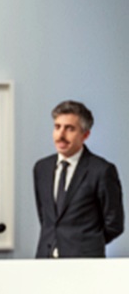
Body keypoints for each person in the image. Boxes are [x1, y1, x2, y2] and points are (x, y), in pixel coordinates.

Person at [33, 100, 124, 258]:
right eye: (57, 127)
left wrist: (88, 244)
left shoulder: (102, 170)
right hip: (45, 260)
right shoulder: (42, 168)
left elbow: (114, 224)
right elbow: (46, 218)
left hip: (85, 262)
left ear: (85, 134)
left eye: (70, 129)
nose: (61, 135)